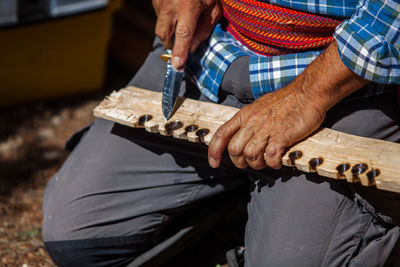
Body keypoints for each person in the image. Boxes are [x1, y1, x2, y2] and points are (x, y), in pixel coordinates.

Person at [42, 0, 400, 266]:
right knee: (76, 236)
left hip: (350, 80)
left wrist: (309, 94)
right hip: (213, 50)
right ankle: (238, 201)